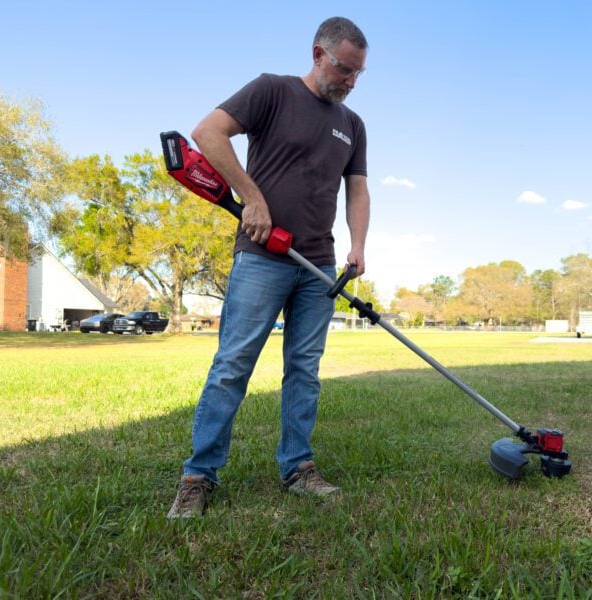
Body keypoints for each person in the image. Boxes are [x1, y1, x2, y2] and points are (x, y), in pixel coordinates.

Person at [168, 17, 370, 519]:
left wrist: (358, 246)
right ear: (318, 54)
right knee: (233, 365)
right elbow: (207, 133)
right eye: (344, 69)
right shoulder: (271, 91)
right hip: (263, 257)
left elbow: (358, 189)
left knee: (305, 369)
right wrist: (251, 196)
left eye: (358, 74)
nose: (350, 81)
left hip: (319, 264)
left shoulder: (353, 125)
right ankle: (198, 476)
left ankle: (298, 468)